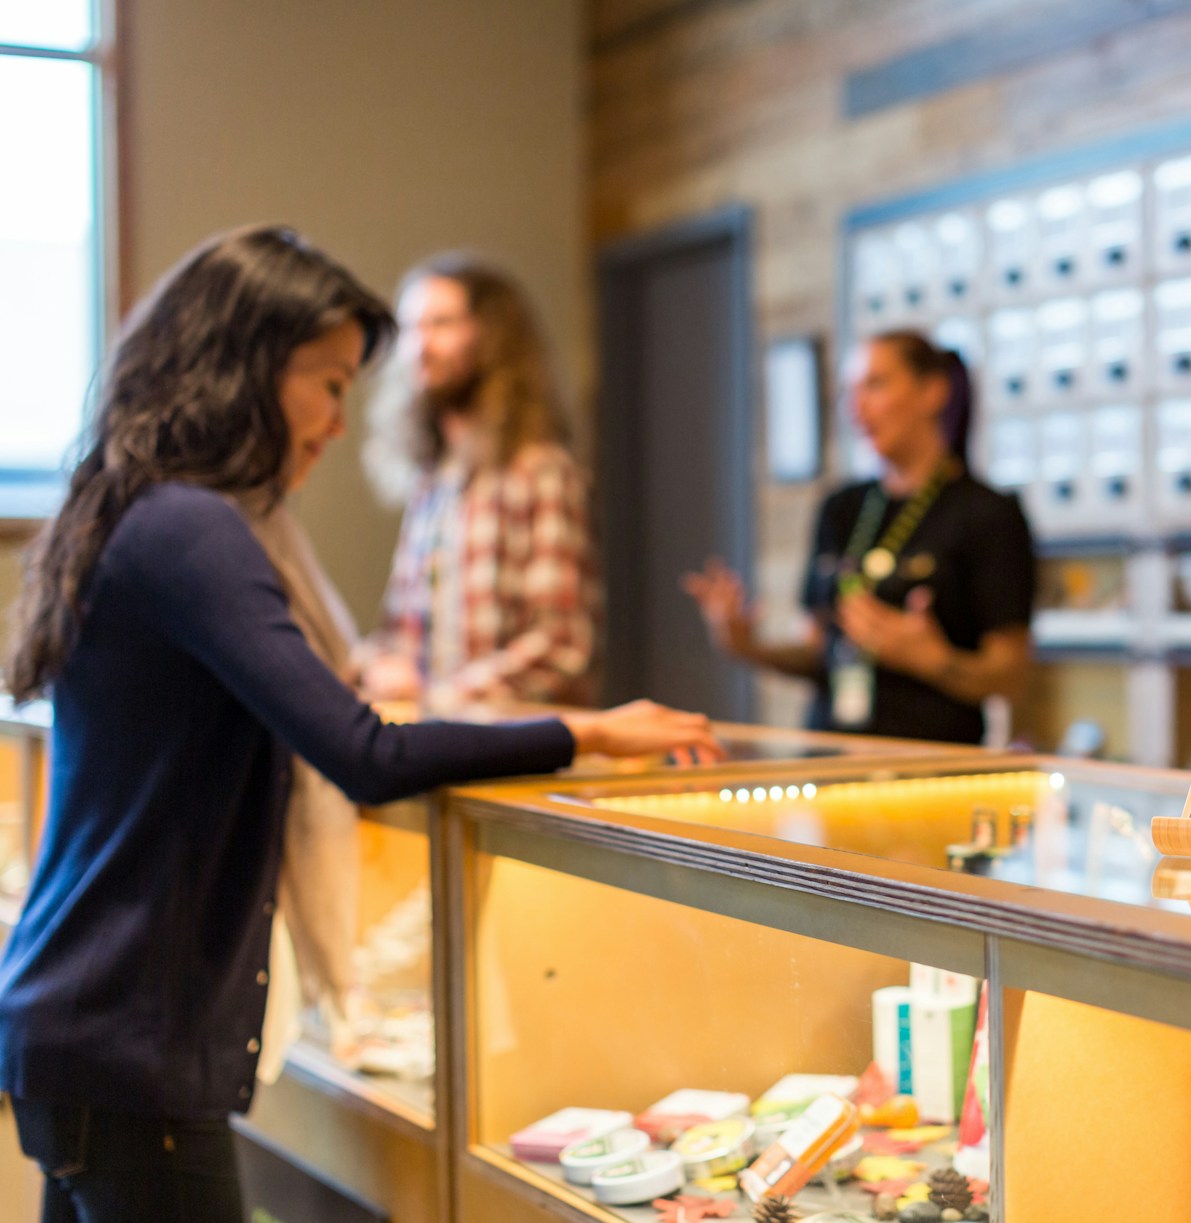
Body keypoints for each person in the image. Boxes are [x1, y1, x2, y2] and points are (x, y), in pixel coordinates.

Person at [0, 226, 719, 1223]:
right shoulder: (193, 528)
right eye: (329, 381)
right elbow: (365, 751)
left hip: (86, 1026)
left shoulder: (141, 509)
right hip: (131, 1039)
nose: (340, 421)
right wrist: (585, 730)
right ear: (250, 368)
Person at [683, 331, 1036, 745]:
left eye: (875, 385)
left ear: (933, 392)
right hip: (831, 759)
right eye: (849, 392)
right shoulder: (842, 508)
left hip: (931, 767)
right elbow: (818, 652)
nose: (857, 407)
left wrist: (933, 660)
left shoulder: (987, 513)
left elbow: (1012, 676)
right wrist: (745, 645)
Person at [359, 254, 598, 707]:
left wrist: (437, 696)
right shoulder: (433, 483)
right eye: (411, 328)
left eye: (441, 324)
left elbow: (561, 646)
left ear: (492, 336)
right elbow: (400, 634)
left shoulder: (540, 471)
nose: (420, 346)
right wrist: (372, 665)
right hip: (442, 748)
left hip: (518, 756)